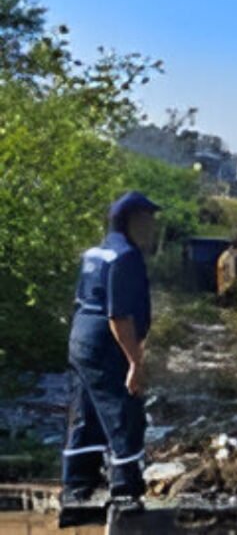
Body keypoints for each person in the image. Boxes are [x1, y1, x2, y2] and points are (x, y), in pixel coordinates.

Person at [61, 191, 160, 508]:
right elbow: (118, 315)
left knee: (86, 414)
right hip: (106, 342)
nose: (152, 229)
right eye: (148, 221)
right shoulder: (126, 256)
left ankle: (77, 490)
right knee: (124, 412)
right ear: (132, 221)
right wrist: (134, 361)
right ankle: (126, 492)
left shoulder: (95, 253)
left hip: (80, 338)